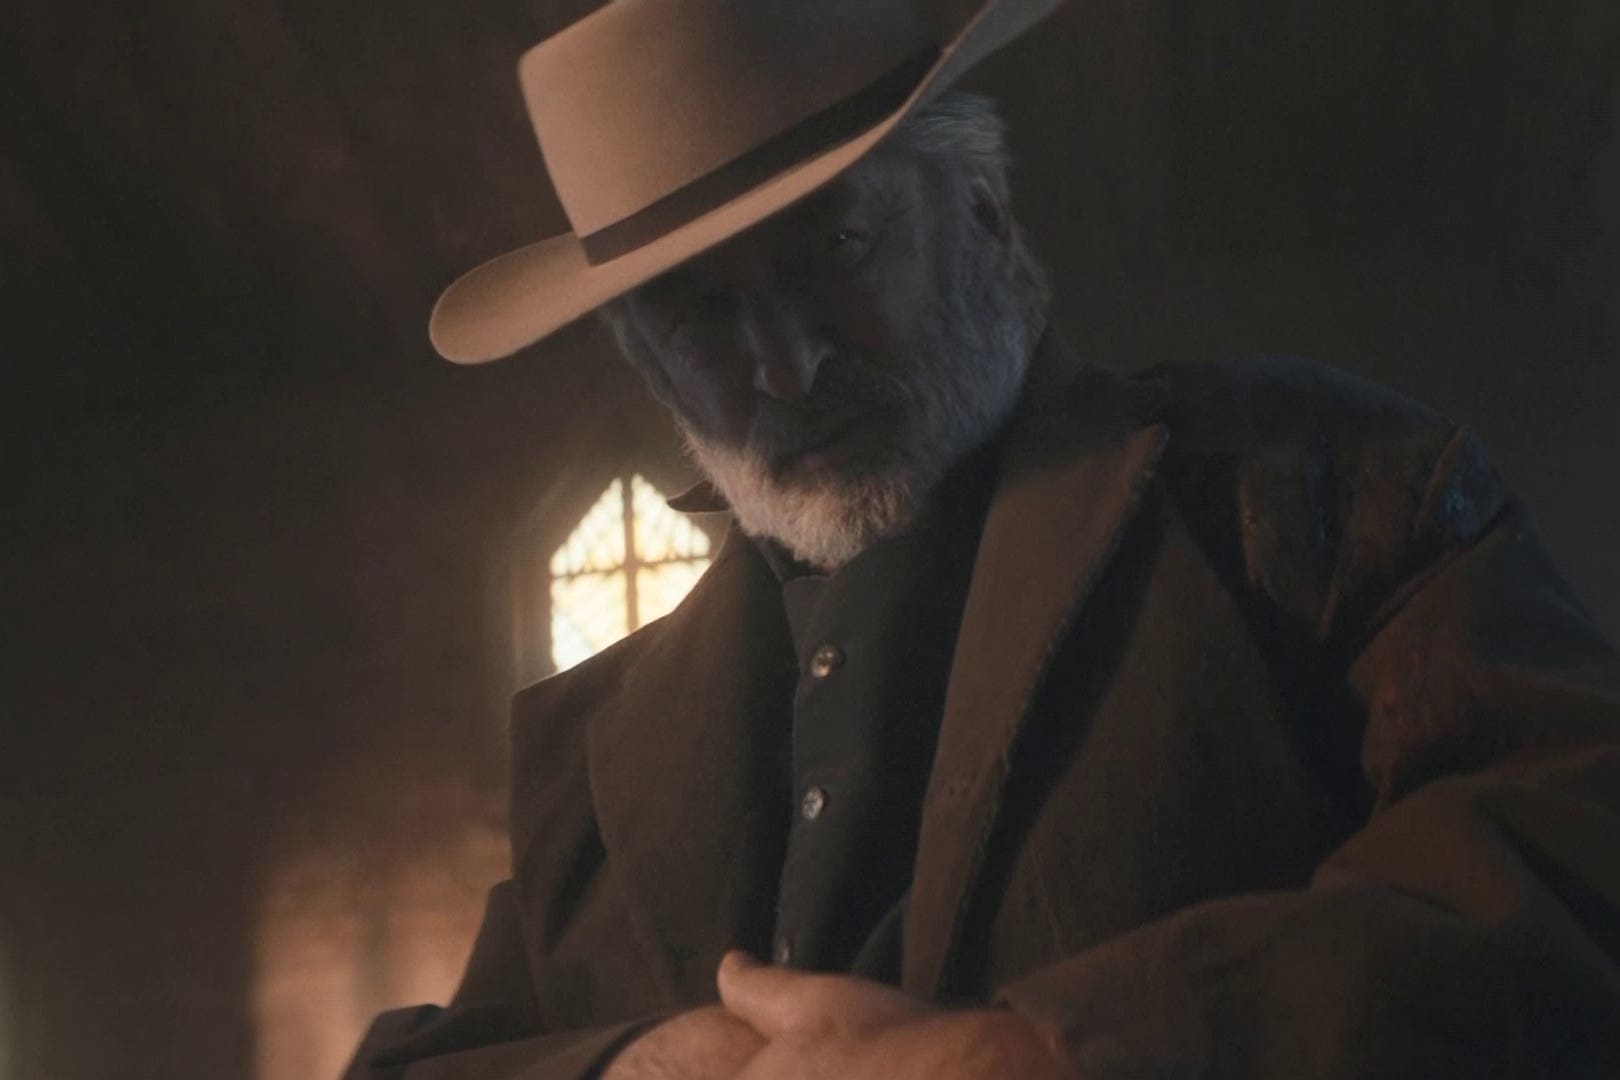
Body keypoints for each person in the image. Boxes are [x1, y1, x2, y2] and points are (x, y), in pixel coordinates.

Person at [346, 1, 1620, 1077]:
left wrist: (1043, 1058)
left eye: (838, 246)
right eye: (694, 321)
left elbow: (1575, 857)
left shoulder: (1313, 490)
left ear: (987, 218)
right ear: (651, 377)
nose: (785, 370)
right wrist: (624, 1071)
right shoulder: (589, 756)